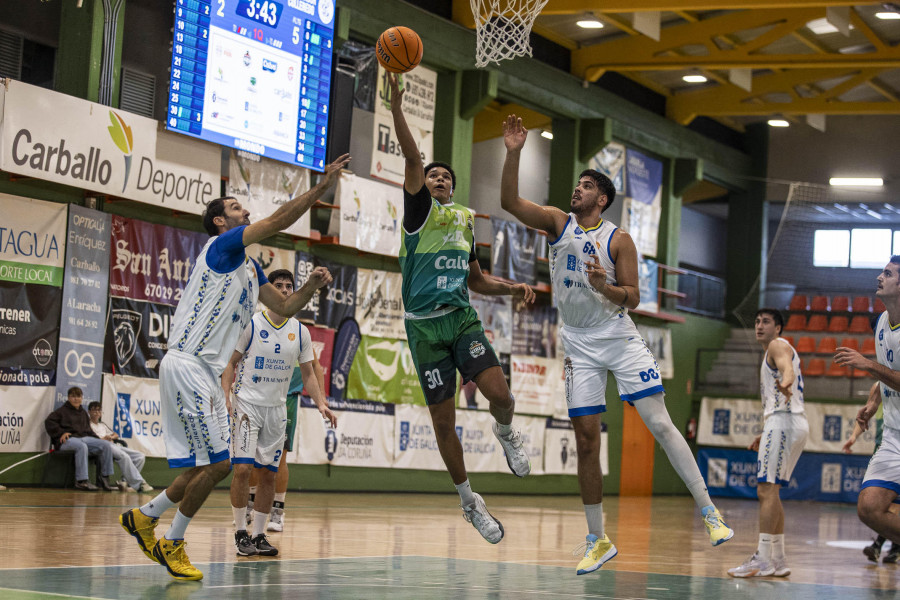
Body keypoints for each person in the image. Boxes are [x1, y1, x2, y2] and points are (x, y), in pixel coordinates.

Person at [500, 114, 733, 575]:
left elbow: (634, 298)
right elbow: (508, 201)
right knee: (586, 440)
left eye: (586, 186)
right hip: (579, 344)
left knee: (661, 426)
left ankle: (710, 513)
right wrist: (513, 152)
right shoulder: (557, 223)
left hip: (619, 338)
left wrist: (605, 287)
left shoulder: (619, 240)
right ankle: (597, 538)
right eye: (578, 185)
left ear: (602, 198)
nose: (578, 190)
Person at [118, 153, 349, 581]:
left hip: (200, 372)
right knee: (222, 466)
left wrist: (310, 288)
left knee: (202, 466)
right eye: (235, 207)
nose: (244, 211)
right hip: (190, 364)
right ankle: (173, 542)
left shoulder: (249, 267)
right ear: (222, 223)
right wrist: (323, 187)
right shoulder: (223, 247)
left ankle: (144, 517)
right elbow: (279, 220)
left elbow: (283, 306)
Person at [388, 74, 536, 544]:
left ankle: (507, 433)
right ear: (422, 185)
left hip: (461, 319)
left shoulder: (465, 222)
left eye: (446, 177)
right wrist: (396, 106)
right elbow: (413, 156)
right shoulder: (419, 215)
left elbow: (477, 280)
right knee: (444, 423)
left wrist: (510, 288)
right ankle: (470, 501)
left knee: (503, 397)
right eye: (432, 175)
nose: (438, 178)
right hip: (424, 330)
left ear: (452, 188)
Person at [222, 268, 337, 557]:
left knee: (269, 475)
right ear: (269, 291)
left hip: (277, 409)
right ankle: (240, 532)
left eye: (289, 286)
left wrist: (321, 402)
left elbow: (309, 373)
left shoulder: (300, 332)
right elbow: (230, 363)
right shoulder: (251, 323)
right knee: (244, 469)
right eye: (279, 285)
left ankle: (259, 535)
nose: (285, 290)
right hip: (247, 406)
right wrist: (224, 393)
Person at [728, 308, 808, 578]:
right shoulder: (773, 348)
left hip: (783, 421)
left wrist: (786, 379)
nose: (759, 326)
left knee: (765, 491)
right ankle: (778, 559)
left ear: (779, 328)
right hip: (787, 422)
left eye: (766, 322)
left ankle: (762, 559)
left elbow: (786, 369)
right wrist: (767, 431)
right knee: (773, 492)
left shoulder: (777, 345)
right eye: (757, 321)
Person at [834, 256, 900, 561]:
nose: (879, 277)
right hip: (893, 436)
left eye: (887, 274)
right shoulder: (883, 322)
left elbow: (880, 369)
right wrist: (873, 401)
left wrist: (868, 364)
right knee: (869, 508)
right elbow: (886, 372)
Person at [843, 383, 900, 564]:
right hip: (885, 447)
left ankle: (885, 546)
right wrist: (853, 436)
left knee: (888, 505)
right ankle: (884, 546)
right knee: (880, 505)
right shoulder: (880, 385)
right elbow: (867, 412)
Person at [45, 387, 116, 491]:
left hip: (84, 438)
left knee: (106, 445)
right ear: (68, 397)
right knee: (81, 446)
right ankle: (82, 481)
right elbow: (49, 422)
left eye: (78, 396)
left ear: (82, 398)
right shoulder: (61, 411)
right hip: (68, 441)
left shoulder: (83, 413)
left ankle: (104, 479)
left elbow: (89, 431)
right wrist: (61, 433)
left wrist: (99, 440)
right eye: (73, 396)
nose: (76, 399)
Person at [88, 401, 154, 493]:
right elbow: (91, 439)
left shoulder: (102, 425)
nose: (97, 413)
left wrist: (110, 437)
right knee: (124, 456)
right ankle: (140, 484)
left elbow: (115, 434)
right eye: (94, 410)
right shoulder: (88, 425)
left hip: (112, 445)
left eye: (99, 410)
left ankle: (124, 481)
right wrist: (103, 439)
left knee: (140, 456)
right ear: (89, 412)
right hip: (102, 447)